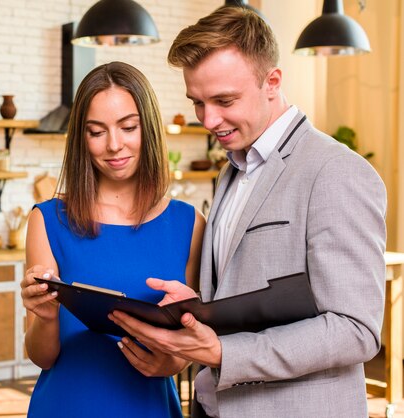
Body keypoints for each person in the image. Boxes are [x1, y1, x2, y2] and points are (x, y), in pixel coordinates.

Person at [109, 6, 387, 418]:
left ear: (272, 81)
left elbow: (355, 330)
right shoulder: (232, 170)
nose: (209, 120)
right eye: (198, 102)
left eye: (224, 100)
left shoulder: (336, 171)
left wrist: (223, 350)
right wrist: (199, 308)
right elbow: (247, 291)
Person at [21, 61, 206, 418]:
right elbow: (42, 356)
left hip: (149, 407)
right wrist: (43, 318)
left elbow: (193, 339)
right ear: (82, 138)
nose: (114, 145)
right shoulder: (47, 220)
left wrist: (171, 361)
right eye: (96, 132)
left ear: (147, 128)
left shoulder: (189, 224)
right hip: (66, 405)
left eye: (128, 127)